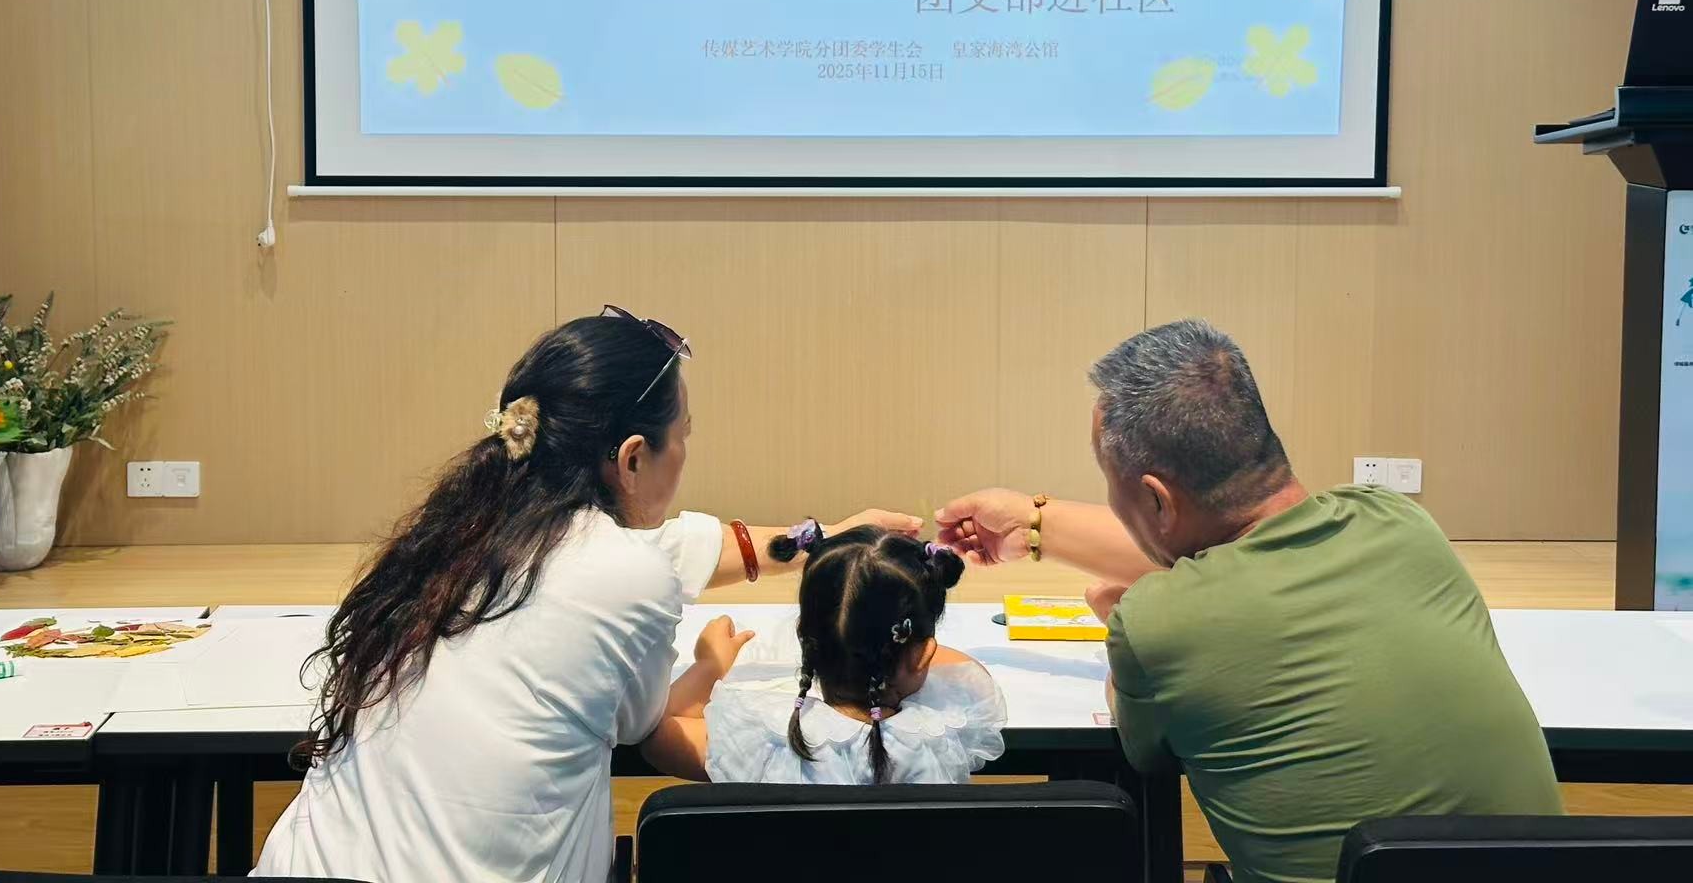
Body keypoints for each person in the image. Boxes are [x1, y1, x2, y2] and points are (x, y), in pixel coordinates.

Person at [255, 308, 916, 883]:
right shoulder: (625, 573)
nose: (686, 450)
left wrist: (825, 537)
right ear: (632, 458)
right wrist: (711, 670)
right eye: (684, 433)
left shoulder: (459, 533)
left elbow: (681, 547)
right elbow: (644, 724)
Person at [940, 319, 1563, 883]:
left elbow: (1146, 746)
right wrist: (1035, 523)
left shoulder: (1158, 626)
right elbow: (1239, 553)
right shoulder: (1398, 522)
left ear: (1155, 500)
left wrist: (1133, 625)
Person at [644, 522, 1005, 785]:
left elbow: (658, 731)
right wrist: (904, 645)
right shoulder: (948, 731)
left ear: (805, 637)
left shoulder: (761, 742)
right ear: (921, 654)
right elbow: (964, 668)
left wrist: (710, 665)